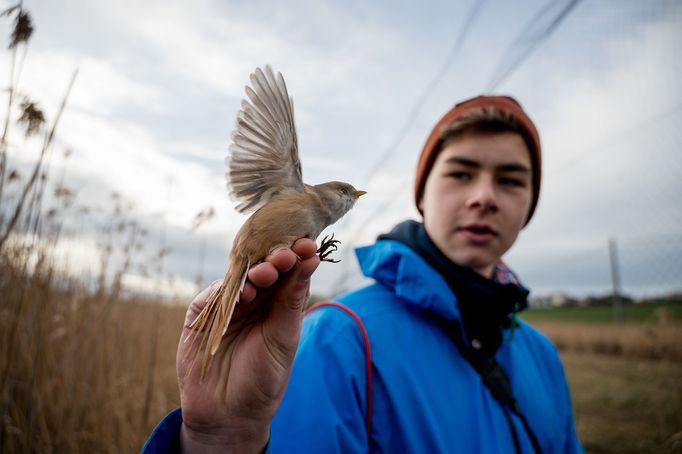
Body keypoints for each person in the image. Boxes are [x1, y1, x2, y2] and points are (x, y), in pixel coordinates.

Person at [142, 95, 582, 453]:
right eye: (461, 173)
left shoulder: (542, 357)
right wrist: (223, 440)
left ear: (530, 203)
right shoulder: (337, 337)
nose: (483, 197)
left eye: (510, 180)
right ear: (422, 194)